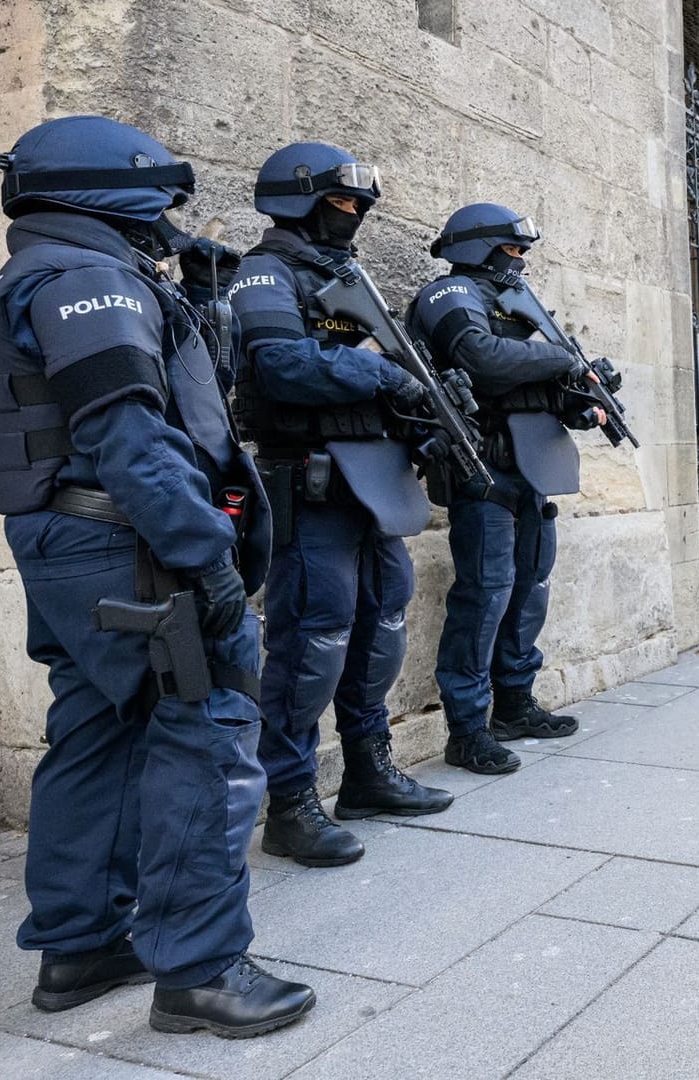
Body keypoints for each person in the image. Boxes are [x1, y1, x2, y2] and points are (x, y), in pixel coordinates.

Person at [0, 116, 313, 1036]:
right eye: (160, 195)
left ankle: (79, 946)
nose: (170, 213)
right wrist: (205, 560)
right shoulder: (89, 279)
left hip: (75, 545)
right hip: (133, 543)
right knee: (206, 730)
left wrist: (193, 302)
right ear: (109, 190)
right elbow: (130, 439)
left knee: (93, 730)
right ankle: (201, 972)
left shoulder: (53, 270)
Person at [229, 141, 453, 868]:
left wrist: (424, 414)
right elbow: (282, 366)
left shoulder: (345, 275)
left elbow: (390, 370)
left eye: (360, 205)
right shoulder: (263, 271)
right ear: (299, 198)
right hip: (310, 476)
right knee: (309, 640)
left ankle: (367, 771)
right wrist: (381, 375)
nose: (352, 217)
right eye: (342, 203)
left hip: (373, 480)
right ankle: (291, 805)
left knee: (383, 620)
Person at [407, 203, 609, 776]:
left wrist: (582, 394)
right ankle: (467, 729)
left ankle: (515, 704)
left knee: (530, 588)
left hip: (533, 470)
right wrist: (560, 358)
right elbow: (485, 361)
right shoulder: (449, 296)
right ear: (480, 247)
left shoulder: (520, 306)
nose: (519, 263)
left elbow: (545, 388)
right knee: (485, 595)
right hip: (484, 468)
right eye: (512, 251)